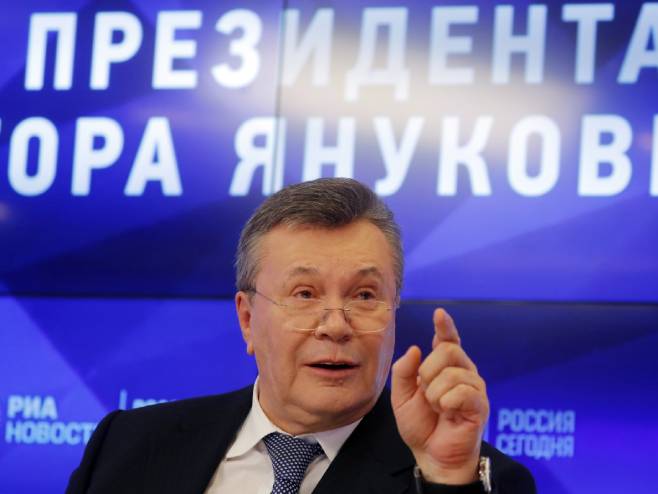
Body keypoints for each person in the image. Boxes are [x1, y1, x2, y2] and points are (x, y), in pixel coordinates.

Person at [66, 178, 535, 494]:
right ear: (247, 319)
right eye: (304, 294)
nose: (335, 326)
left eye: (364, 295)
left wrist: (445, 479)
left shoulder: (465, 475)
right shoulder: (128, 445)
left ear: (393, 311)